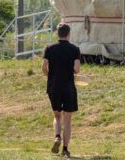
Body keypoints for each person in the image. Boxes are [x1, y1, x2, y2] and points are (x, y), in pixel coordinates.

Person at [41, 23, 81, 158]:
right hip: (68, 86)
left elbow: (43, 67)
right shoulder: (75, 49)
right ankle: (65, 149)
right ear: (68, 34)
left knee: (57, 116)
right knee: (67, 120)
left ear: (57, 34)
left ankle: (57, 136)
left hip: (54, 87)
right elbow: (76, 69)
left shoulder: (49, 48)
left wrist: (50, 76)